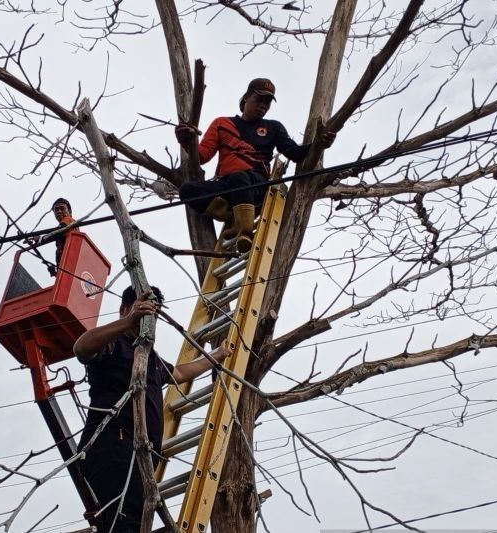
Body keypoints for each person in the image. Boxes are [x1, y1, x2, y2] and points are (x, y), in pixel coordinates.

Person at [73, 286, 231, 532]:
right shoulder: (114, 344)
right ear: (124, 309)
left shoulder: (149, 356)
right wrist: (128, 322)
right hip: (114, 446)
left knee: (133, 522)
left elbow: (179, 373)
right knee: (123, 522)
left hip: (140, 454)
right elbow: (81, 348)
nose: (148, 318)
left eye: (153, 314)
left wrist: (218, 355)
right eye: (141, 309)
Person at [175, 78, 335, 252]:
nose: (263, 106)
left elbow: (295, 153)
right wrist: (187, 141)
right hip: (226, 185)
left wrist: (318, 144)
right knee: (187, 190)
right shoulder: (222, 124)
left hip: (255, 184)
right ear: (246, 98)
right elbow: (202, 156)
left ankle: (245, 231)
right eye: (259, 100)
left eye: (267, 103)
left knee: (240, 176)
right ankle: (232, 213)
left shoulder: (273, 127)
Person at [42, 197, 75, 276]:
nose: (59, 211)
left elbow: (58, 231)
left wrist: (41, 238)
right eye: (56, 210)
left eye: (62, 208)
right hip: (66, 267)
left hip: (70, 262)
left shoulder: (69, 220)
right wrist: (55, 273)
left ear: (69, 211)